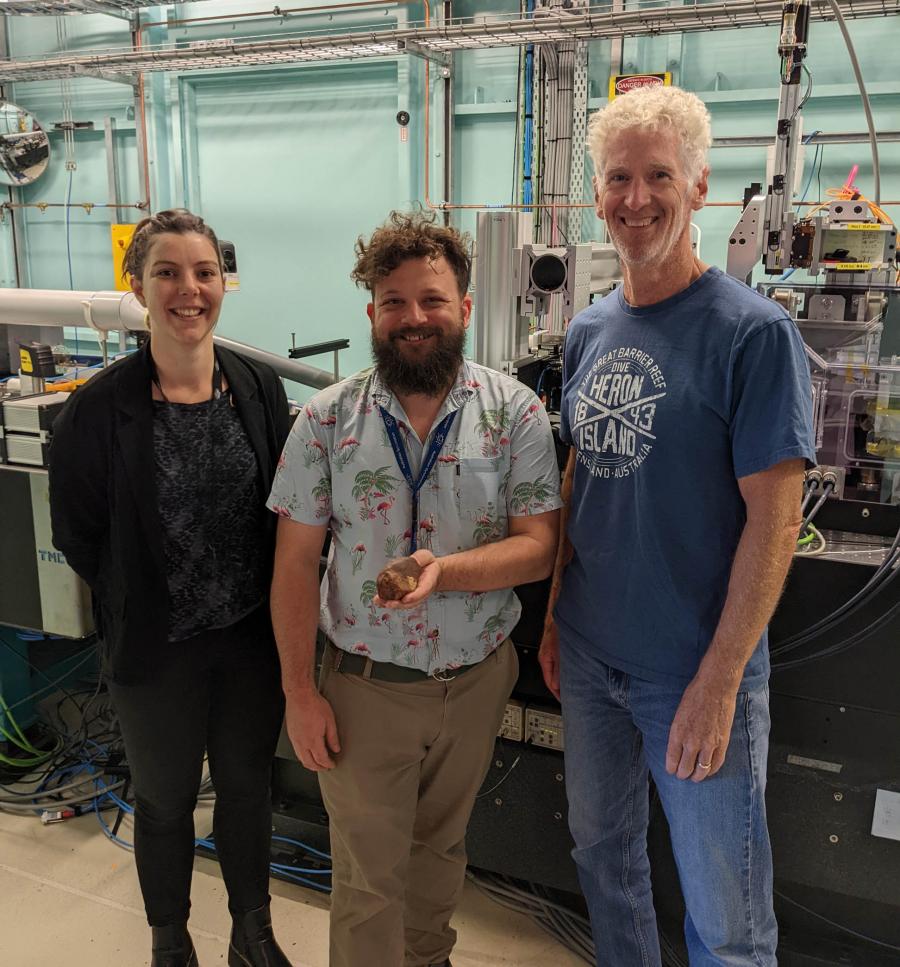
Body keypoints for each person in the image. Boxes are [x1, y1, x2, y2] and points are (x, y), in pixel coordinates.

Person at [539, 86, 816, 966]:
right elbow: (582, 476)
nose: (636, 198)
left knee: (726, 915)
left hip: (692, 671)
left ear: (699, 186)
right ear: (597, 197)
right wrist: (552, 616)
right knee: (603, 861)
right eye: (619, 178)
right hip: (590, 657)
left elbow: (777, 518)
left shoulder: (752, 334)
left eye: (659, 174)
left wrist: (720, 679)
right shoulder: (587, 329)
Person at [267, 211, 562, 967]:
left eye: (431, 300)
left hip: (473, 683)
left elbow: (539, 549)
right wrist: (300, 694)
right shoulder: (326, 421)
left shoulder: (515, 413)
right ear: (372, 314)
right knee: (368, 883)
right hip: (365, 688)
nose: (413, 318)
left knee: (439, 860)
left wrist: (445, 573)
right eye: (394, 302)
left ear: (463, 307)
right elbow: (295, 567)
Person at [49, 209, 294, 967]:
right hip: (155, 650)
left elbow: (286, 507)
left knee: (248, 790)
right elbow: (79, 534)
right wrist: (144, 597)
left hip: (249, 641)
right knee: (163, 799)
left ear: (223, 283)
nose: (189, 290)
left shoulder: (257, 387)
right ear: (139, 285)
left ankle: (253, 934)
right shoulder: (97, 411)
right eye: (168, 272)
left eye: (204, 273)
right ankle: (170, 940)